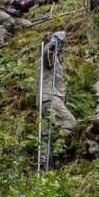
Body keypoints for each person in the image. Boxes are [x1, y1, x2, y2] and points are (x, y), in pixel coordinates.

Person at [38, 31, 77, 159]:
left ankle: (44, 162)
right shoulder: (48, 55)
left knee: (46, 133)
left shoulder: (54, 60)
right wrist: (53, 44)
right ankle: (59, 154)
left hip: (47, 99)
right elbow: (48, 54)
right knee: (69, 122)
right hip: (50, 98)